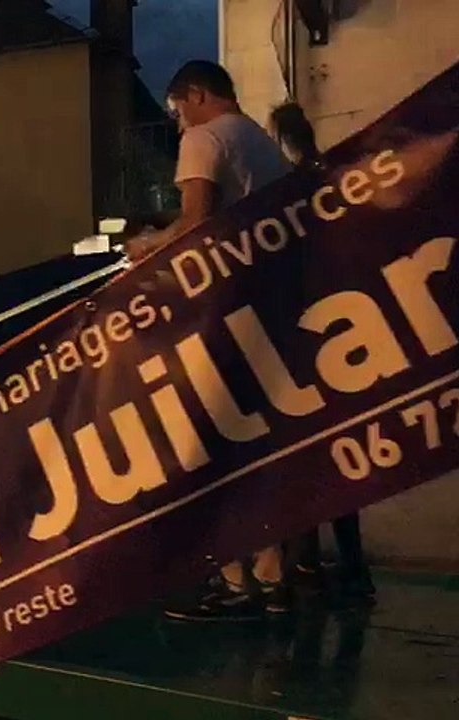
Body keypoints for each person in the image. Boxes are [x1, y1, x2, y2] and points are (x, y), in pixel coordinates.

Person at [126, 61, 294, 622]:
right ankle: (273, 579)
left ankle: (233, 583)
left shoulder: (205, 137)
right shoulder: (263, 146)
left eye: (177, 110)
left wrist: (151, 244)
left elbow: (197, 223)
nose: (177, 126)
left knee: (215, 444)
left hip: (227, 311)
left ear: (196, 95)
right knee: (262, 447)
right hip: (275, 306)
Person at [268, 101, 375, 606]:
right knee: (336, 456)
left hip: (304, 331)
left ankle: (305, 566)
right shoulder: (328, 176)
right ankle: (353, 569)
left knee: (302, 460)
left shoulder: (290, 187)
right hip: (343, 328)